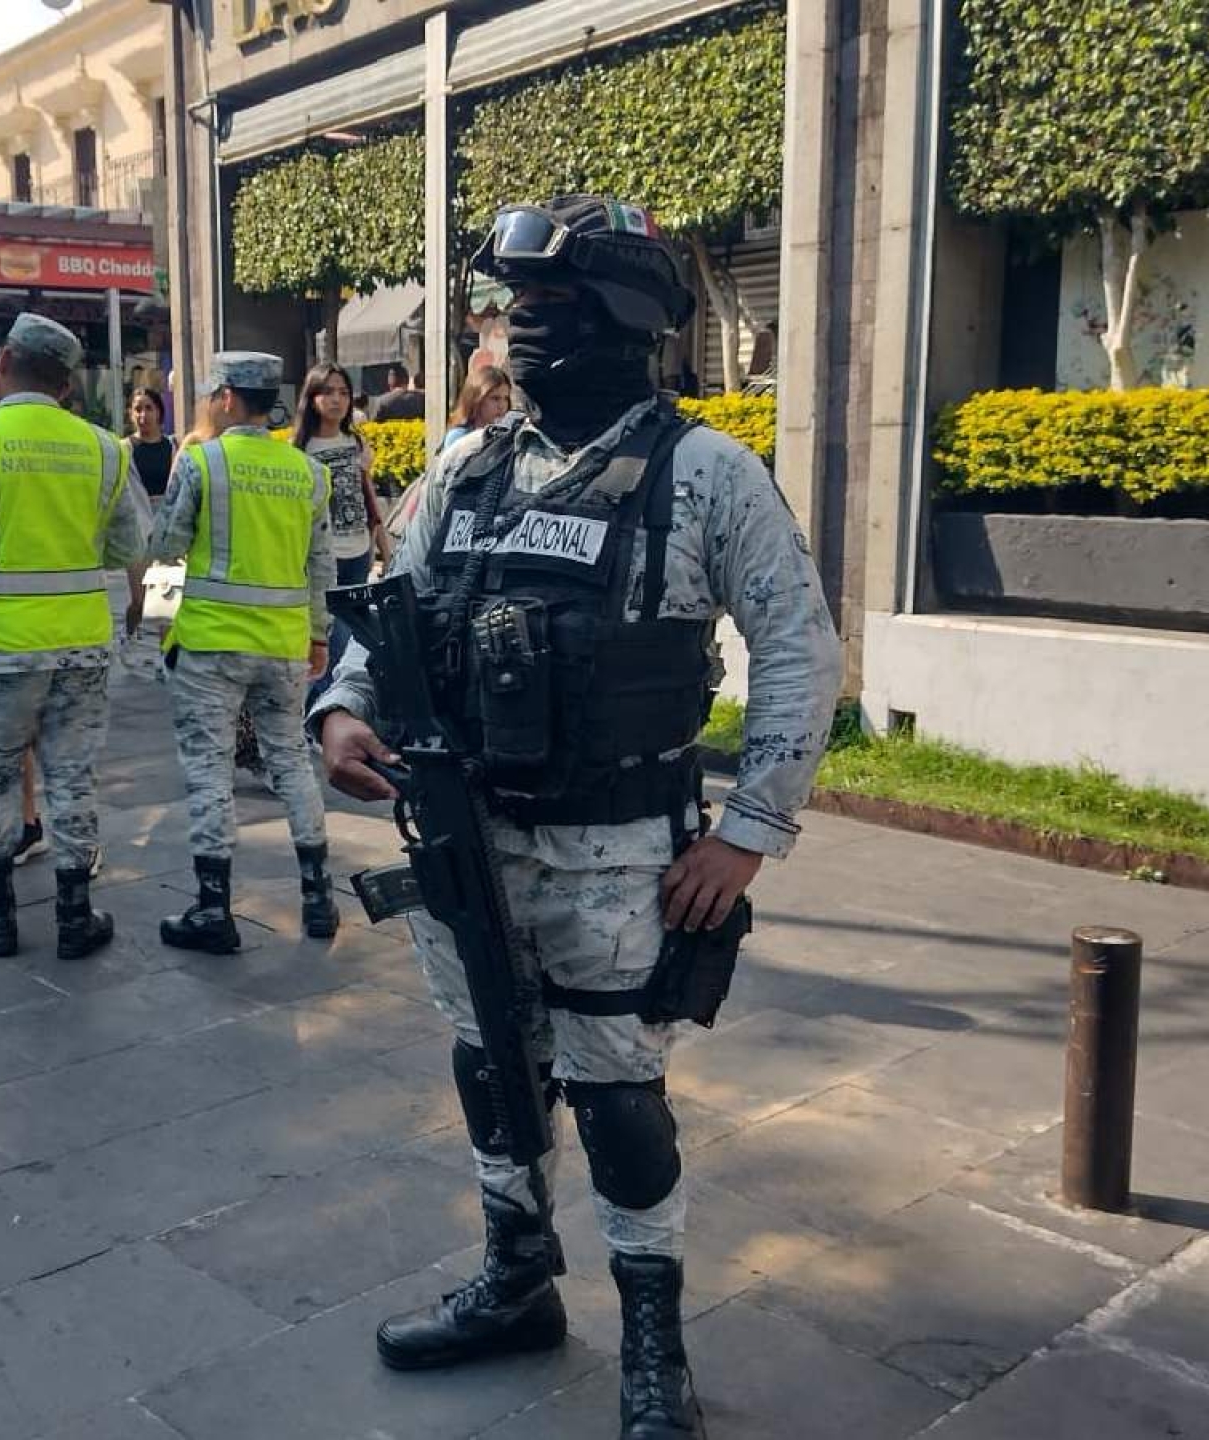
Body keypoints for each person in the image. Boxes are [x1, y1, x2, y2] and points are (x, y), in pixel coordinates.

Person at [313, 196, 843, 1440]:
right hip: (466, 840)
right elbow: (390, 606)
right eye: (516, 308)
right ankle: (517, 1282)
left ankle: (654, 1341)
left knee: (616, 1096)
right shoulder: (466, 465)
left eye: (551, 306)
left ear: (628, 318)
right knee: (491, 1061)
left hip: (618, 858)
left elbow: (800, 650)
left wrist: (749, 831)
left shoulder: (704, 473)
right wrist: (341, 710)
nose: (524, 330)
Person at [0, 313, 148, 961]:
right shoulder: (105, 448)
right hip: (81, 646)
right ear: (68, 385)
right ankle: (75, 918)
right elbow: (129, 545)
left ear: (4, 361)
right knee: (72, 777)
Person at [147, 352, 340, 952]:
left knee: (209, 771)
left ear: (227, 397)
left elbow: (165, 545)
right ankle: (319, 898)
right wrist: (318, 635)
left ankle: (213, 909)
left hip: (211, 645)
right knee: (291, 762)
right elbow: (321, 566)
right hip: (283, 646)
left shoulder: (201, 462)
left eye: (211, 395)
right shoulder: (308, 472)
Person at [294, 362, 391, 709]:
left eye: (344, 393)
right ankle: (321, 707)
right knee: (331, 637)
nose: (337, 400)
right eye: (328, 392)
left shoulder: (356, 441)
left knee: (353, 636)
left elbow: (368, 496)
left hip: (359, 550)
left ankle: (331, 706)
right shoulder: (300, 449)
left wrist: (384, 550)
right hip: (322, 557)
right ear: (312, 397)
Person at [441, 363, 514, 451]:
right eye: (495, 398)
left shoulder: (507, 436)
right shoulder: (459, 436)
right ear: (477, 399)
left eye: (506, 398)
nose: (502, 406)